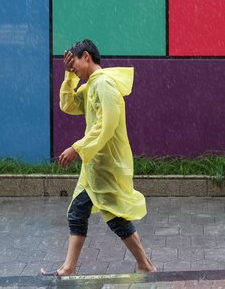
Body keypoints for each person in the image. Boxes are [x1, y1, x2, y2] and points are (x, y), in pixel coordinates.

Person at [41, 39, 156, 276]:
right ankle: (69, 267)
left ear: (86, 56)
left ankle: (145, 264)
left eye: (75, 66)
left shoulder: (104, 85)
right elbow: (68, 104)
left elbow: (107, 124)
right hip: (92, 166)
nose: (74, 70)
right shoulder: (91, 85)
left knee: (115, 218)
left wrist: (77, 147)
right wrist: (69, 77)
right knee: (77, 212)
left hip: (106, 165)